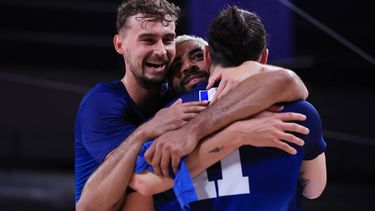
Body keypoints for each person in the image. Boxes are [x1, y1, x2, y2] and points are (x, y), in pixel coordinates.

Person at [75, 1, 309, 210]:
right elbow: (131, 187)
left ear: (209, 58)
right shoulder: (103, 103)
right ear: (119, 44)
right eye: (148, 40)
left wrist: (250, 68)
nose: (160, 50)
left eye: (167, 40)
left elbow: (288, 83)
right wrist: (238, 134)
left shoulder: (179, 102)